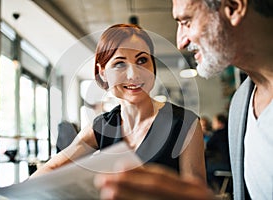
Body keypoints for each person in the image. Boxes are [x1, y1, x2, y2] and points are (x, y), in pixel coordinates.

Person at [94, 0, 273, 199]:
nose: (181, 42)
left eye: (186, 21)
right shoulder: (241, 104)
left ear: (233, 7)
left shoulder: (184, 122)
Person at [31, 24, 206, 187]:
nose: (133, 75)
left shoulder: (185, 124)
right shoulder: (101, 127)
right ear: (103, 73)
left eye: (142, 60)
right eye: (119, 63)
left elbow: (196, 195)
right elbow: (50, 169)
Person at [205, 113, 230, 192]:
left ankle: (216, 190)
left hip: (227, 164)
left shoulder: (219, 133)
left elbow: (209, 145)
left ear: (219, 123)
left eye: (214, 122)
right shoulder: (228, 131)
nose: (212, 124)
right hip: (234, 164)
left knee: (205, 168)